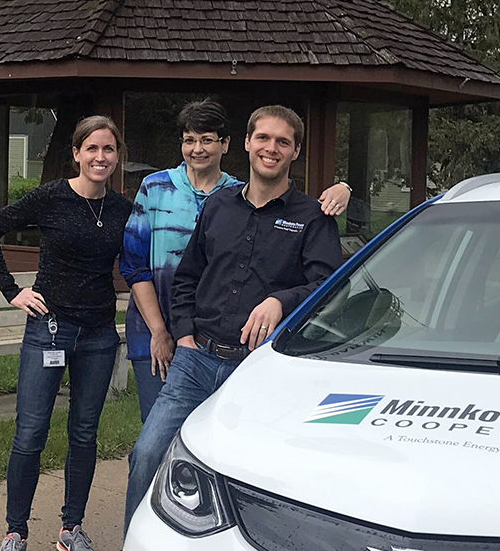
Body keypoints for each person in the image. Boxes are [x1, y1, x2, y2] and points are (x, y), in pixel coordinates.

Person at [84, 105, 342, 551]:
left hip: (260, 374)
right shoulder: (219, 206)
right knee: (148, 454)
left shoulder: (311, 217)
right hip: (196, 362)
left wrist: (281, 301)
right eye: (262, 138)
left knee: (250, 480)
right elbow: (186, 277)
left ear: (295, 151)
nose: (271, 148)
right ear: (245, 144)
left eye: (283, 142)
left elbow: (330, 287)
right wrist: (181, 336)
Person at [120, 100, 351, 420]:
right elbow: (149, 267)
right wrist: (171, 332)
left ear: (227, 144)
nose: (198, 149)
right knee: (153, 445)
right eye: (189, 140)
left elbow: (327, 280)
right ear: (248, 142)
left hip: (251, 357)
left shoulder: (251, 198)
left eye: (207, 139)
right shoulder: (172, 191)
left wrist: (345, 186)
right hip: (173, 339)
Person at [0, 115, 133, 551]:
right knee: (30, 432)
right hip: (49, 327)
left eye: (108, 150)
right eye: (92, 149)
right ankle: (15, 533)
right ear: (77, 153)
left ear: (117, 157)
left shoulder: (123, 209)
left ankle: (72, 526)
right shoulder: (51, 197)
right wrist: (13, 290)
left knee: (85, 432)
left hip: (100, 333)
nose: (100, 158)